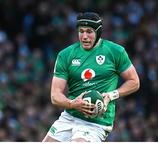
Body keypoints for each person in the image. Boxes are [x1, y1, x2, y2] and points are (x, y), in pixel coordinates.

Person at [42, 12, 140, 142]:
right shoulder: (65, 55)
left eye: (89, 32)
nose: (84, 36)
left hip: (97, 122)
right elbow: (55, 96)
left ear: (98, 32)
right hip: (69, 117)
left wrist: (111, 95)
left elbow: (134, 81)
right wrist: (72, 104)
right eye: (81, 31)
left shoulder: (116, 52)